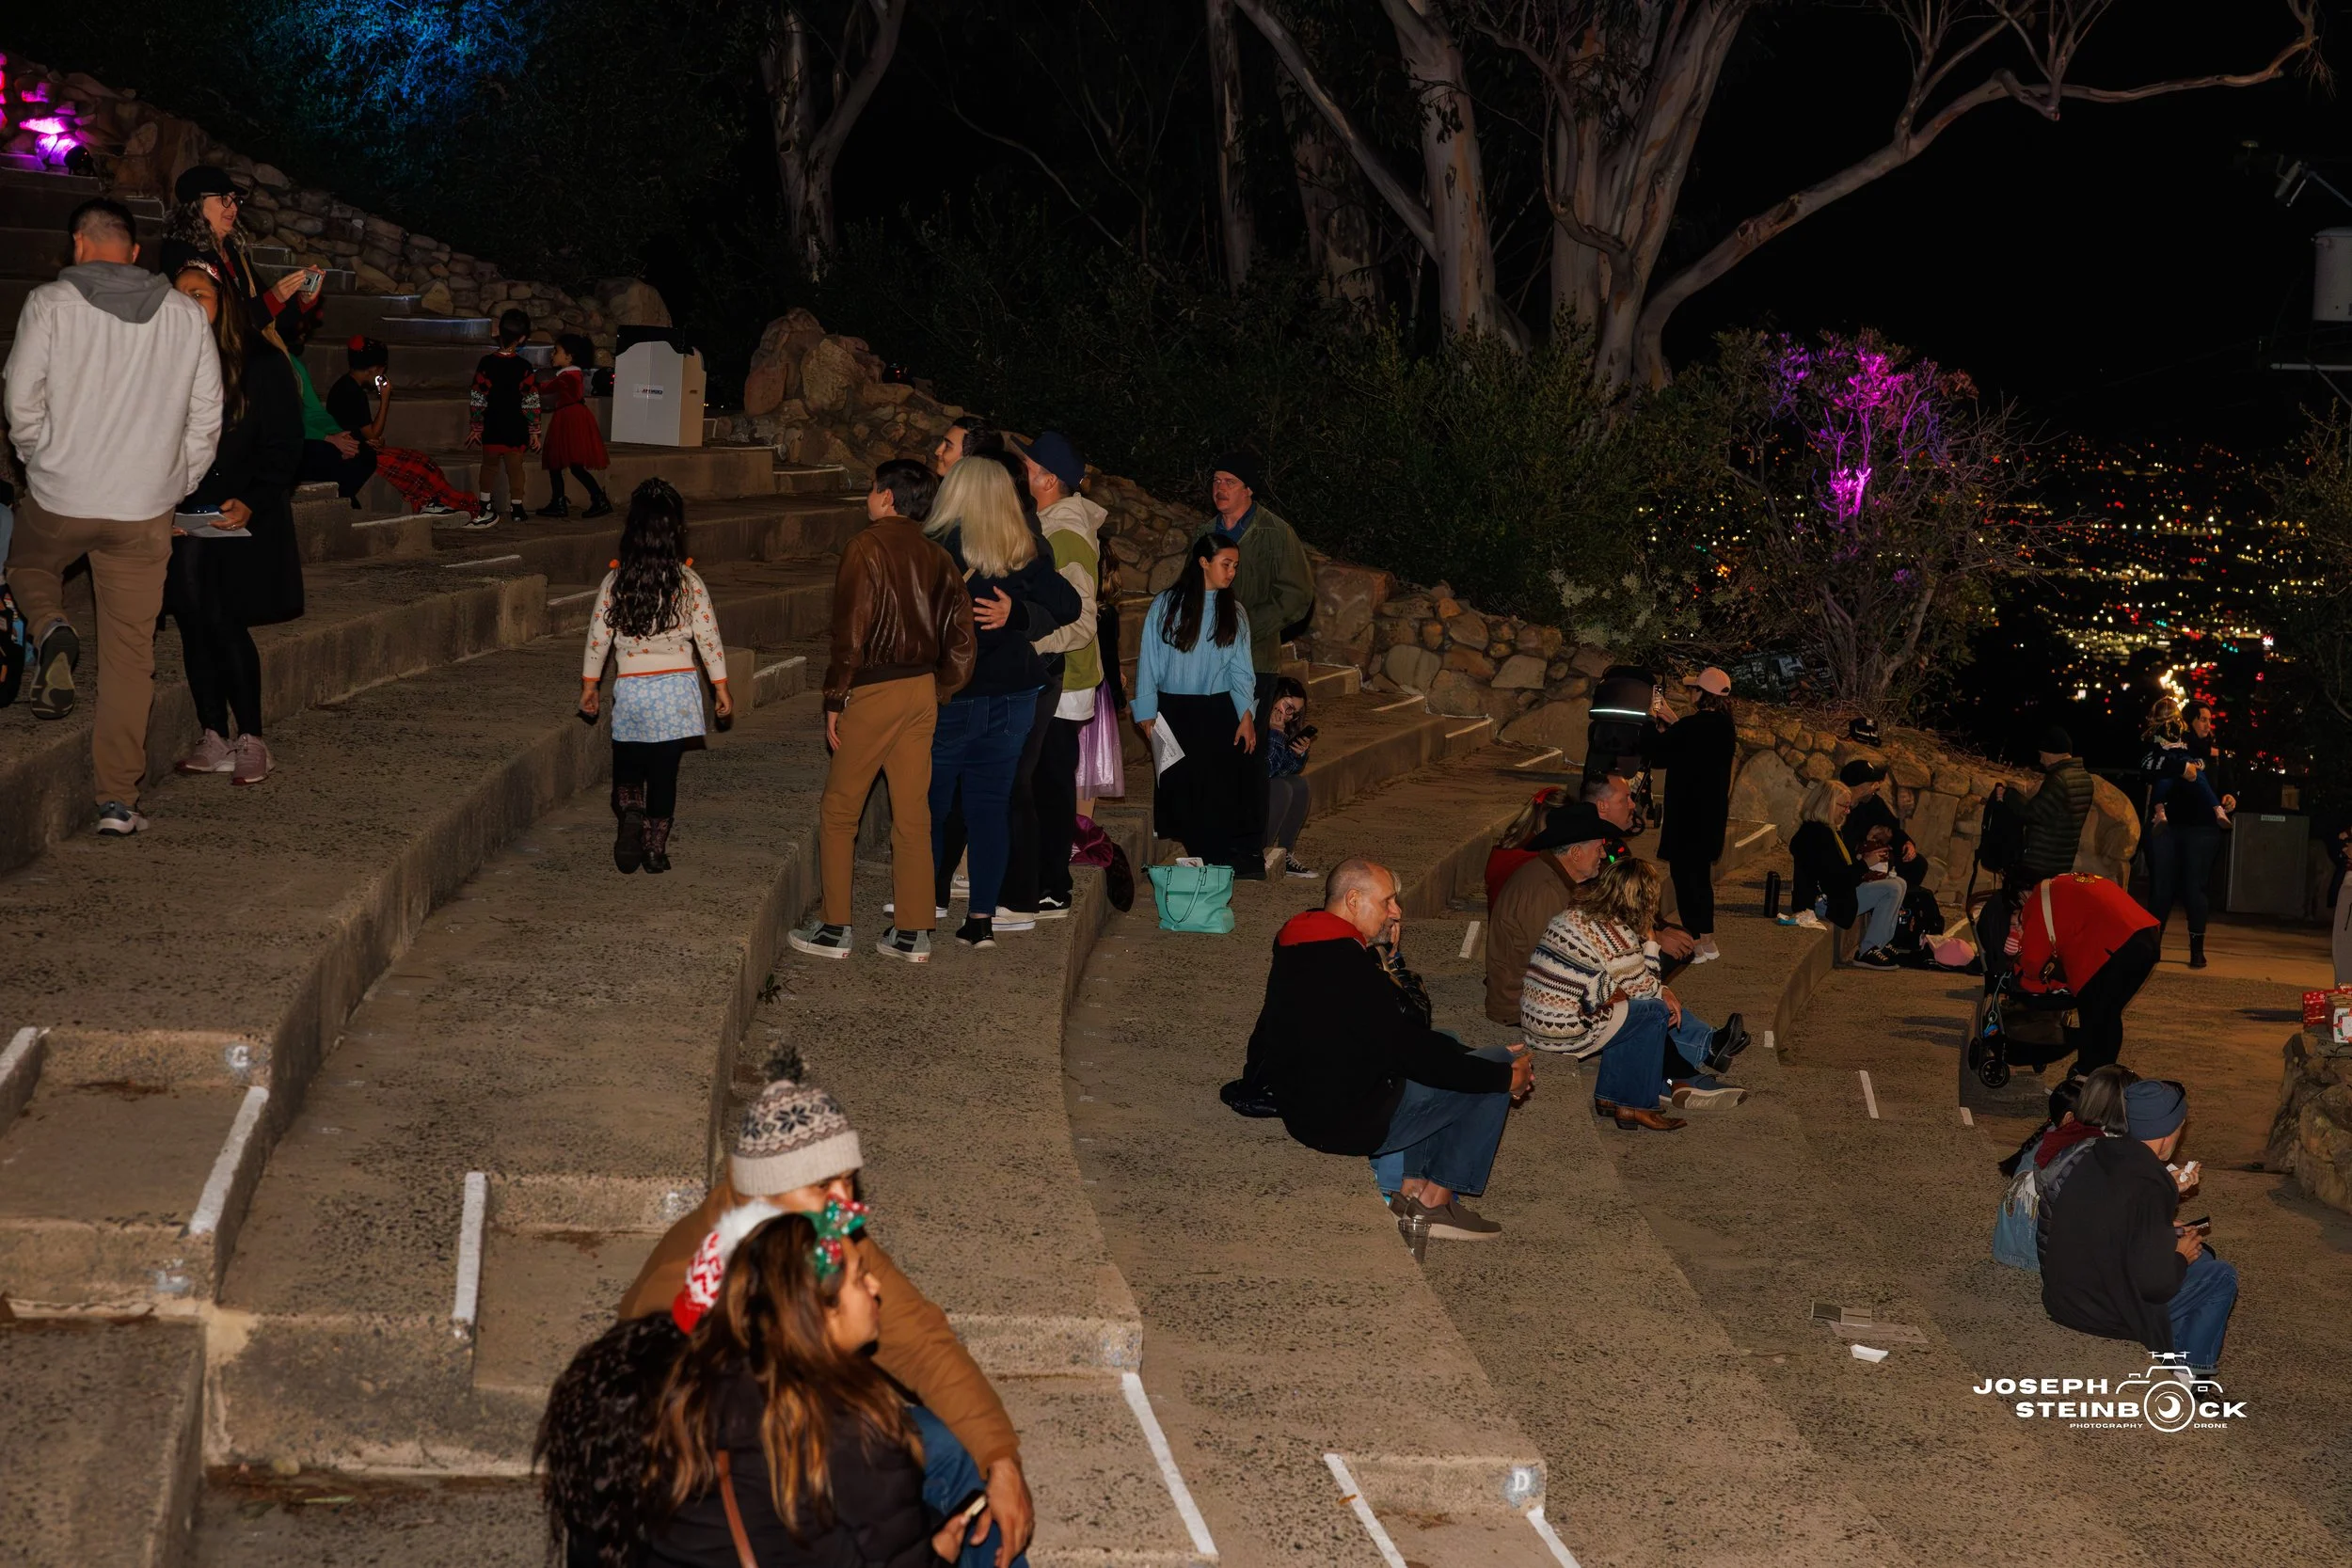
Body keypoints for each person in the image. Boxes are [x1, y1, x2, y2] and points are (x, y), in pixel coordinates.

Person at [618, 1068, 1034, 1567]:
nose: (847, 1205)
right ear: (764, 1197)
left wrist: (1001, 1459)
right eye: (823, 1186)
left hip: (803, 1439)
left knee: (951, 1446)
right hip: (743, 1485)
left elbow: (921, 1342)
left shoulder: (822, 1238)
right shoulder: (694, 1288)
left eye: (847, 1179)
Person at [4, 198, 223, 836]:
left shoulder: (49, 305)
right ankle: (117, 801)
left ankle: (49, 628)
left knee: (28, 562)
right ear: (132, 252)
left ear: (78, 247)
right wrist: (172, 482)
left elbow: (20, 399)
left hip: (63, 494)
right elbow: (206, 416)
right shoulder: (185, 316)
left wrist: (38, 459)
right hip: (143, 508)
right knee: (131, 653)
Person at [633, 1206, 973, 1568]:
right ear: (822, 1311)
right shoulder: (854, 1429)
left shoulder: (698, 1383)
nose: (876, 1286)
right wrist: (940, 1558)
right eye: (860, 1278)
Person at [1242, 858, 1533, 1240]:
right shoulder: (1350, 969)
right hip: (1343, 1123)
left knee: (1457, 1052)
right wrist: (1501, 1075)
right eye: (1387, 902)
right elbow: (1409, 1046)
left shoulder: (1301, 938)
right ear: (1353, 900)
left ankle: (1411, 1188)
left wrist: (1464, 1054)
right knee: (1495, 1067)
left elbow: (1399, 1035)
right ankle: (1436, 1203)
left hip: (1308, 1104)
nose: (1396, 913)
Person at [790, 460, 977, 963]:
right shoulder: (939, 557)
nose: (868, 497)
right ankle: (913, 932)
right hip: (920, 692)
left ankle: (834, 927)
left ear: (888, 498)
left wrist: (835, 697)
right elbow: (963, 638)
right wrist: (941, 687)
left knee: (839, 810)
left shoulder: (865, 548)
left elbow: (850, 633)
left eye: (873, 489)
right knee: (913, 814)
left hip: (875, 691)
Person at [921, 457, 1077, 949]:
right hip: (1014, 695)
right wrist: (1019, 615)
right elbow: (1070, 606)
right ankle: (982, 920)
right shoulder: (1023, 549)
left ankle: (920, 912)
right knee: (990, 807)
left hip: (954, 696)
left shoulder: (936, 549)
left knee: (934, 805)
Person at [164, 260, 303, 788]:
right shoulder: (162, 361)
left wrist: (254, 497)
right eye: (180, 295)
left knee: (222, 616)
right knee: (192, 618)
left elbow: (286, 445)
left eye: (200, 294)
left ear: (223, 303)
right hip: (182, 508)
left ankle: (252, 738)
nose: (189, 304)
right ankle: (212, 732)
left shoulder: (261, 363)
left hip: (239, 510)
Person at [1520, 856, 1749, 1132]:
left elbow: (1634, 986)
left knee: (1630, 1012)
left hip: (1535, 1022)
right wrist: (1651, 942)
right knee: (1652, 1012)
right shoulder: (1616, 935)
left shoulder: (1573, 915)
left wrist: (1660, 989)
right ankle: (1636, 1104)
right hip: (1562, 1032)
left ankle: (1615, 1100)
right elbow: (1647, 994)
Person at [579, 480, 730, 874]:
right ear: (676, 532)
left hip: (632, 691)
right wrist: (721, 687)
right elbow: (708, 636)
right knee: (664, 775)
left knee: (629, 766)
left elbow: (599, 637)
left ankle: (630, 811)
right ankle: (654, 850)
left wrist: (590, 685)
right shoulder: (689, 582)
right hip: (677, 693)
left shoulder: (617, 581)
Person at [2039, 1077, 2236, 1377]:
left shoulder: (2100, 1152)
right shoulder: (2150, 1184)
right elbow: (2155, 1285)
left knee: (2203, 1255)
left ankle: (2175, 1358)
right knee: (2220, 1275)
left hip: (2063, 1296)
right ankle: (2193, 1377)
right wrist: (2179, 1255)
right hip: (2099, 1313)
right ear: (2169, 1132)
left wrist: (2165, 1232)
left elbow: (2114, 1223)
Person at [1204, 451, 1315, 863]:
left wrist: (1248, 623)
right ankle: (1216, 839)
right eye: (1216, 479)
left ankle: (1247, 845)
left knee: (1248, 754)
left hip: (1255, 662)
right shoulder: (1205, 532)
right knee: (1214, 753)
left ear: (1249, 488)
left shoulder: (1275, 533)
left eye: (1230, 481)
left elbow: (1298, 596)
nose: (1220, 488)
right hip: (1207, 665)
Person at [1134, 533, 1262, 873]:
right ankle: (1204, 863)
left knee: (1215, 794)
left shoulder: (1233, 611)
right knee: (1179, 793)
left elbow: (1241, 670)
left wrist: (1245, 714)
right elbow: (1149, 659)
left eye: (1235, 565)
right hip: (1172, 712)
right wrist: (1146, 713)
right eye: (1226, 564)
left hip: (1217, 713)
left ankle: (1214, 866)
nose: (1232, 571)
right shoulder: (1166, 604)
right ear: (1204, 562)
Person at [1015, 431, 1104, 919]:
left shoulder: (1064, 533)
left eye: (1027, 467)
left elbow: (1082, 620)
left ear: (1049, 480)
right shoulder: (1050, 523)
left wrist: (1024, 638)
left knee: (1048, 788)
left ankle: (1052, 885)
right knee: (1044, 784)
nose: (1019, 474)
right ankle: (1046, 879)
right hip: (1057, 678)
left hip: (1063, 682)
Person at [2009, 871, 2159, 1075]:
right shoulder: (2066, 881)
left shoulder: (2038, 898)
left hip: (2112, 950)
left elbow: (2033, 960)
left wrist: (2019, 972)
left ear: (2021, 896)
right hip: (2145, 935)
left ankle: (2088, 1076)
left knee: (2095, 1018)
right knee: (2109, 1014)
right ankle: (2102, 1076)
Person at [1979, 726, 2096, 988]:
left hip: (2039, 861)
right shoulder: (2084, 779)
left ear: (2052, 754)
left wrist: (2009, 796)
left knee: (2010, 914)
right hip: (2061, 859)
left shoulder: (2059, 780)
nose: (2040, 760)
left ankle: (2008, 968)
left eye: (2042, 754)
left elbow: (2033, 813)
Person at [326, 336, 481, 523]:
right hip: (356, 453)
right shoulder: (353, 392)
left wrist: (370, 439)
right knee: (416, 467)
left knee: (422, 461)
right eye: (382, 369)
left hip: (362, 445)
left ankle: (435, 502)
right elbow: (374, 433)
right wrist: (385, 398)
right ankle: (445, 503)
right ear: (374, 369)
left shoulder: (346, 385)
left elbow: (364, 432)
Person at [1640, 667, 1737, 963]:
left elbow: (1658, 754)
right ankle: (1707, 940)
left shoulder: (1690, 728)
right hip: (1711, 817)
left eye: (1694, 689)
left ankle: (1693, 941)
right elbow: (1690, 742)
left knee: (1685, 879)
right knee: (1701, 879)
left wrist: (1650, 719)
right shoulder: (1725, 727)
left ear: (1701, 694)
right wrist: (1673, 721)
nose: (1690, 692)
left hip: (1687, 817)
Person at [156, 164, 323, 334]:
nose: (234, 208)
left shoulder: (232, 251)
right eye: (223, 199)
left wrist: (302, 299)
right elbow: (219, 326)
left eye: (235, 199)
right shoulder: (180, 254)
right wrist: (276, 297)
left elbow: (269, 317)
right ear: (196, 205)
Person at [2140, 698, 2233, 970]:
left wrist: (2229, 797)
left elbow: (2227, 783)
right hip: (2169, 827)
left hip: (2202, 830)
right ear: (2189, 720)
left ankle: (2197, 949)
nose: (2207, 724)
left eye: (2209, 720)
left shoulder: (2216, 753)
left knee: (2195, 889)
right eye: (2202, 718)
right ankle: (2151, 946)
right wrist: (2181, 768)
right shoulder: (2172, 741)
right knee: (2161, 889)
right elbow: (2148, 766)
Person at [1788, 780, 1905, 967]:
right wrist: (1865, 864)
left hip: (1832, 895)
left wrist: (1865, 855)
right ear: (1828, 804)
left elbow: (1841, 871)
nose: (1847, 811)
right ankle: (1869, 949)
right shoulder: (1816, 835)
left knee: (1899, 883)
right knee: (1892, 888)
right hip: (1823, 902)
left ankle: (1880, 943)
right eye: (1844, 806)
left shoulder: (1828, 831)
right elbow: (1837, 881)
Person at [469, 308, 542, 525]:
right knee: (515, 468)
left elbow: (477, 395)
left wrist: (476, 425)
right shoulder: (524, 367)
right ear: (522, 339)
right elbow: (531, 401)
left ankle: (484, 503)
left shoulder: (486, 363)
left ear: (498, 333)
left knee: (489, 466)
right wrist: (534, 430)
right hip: (515, 427)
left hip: (493, 424)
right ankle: (517, 507)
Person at [536, 333, 612, 520]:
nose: (552, 354)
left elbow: (547, 387)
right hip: (571, 416)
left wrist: (526, 383)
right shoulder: (572, 375)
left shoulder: (568, 376)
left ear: (569, 357)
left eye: (556, 351)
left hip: (570, 418)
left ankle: (566, 502)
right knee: (567, 464)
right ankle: (575, 500)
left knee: (563, 462)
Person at [1263, 674, 1317, 879]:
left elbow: (1281, 770)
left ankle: (1285, 853)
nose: (1289, 716)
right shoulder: (1256, 719)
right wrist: (1275, 733)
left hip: (1258, 785)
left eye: (1294, 713)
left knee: (1299, 784)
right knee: (1281, 788)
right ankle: (1260, 852)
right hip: (1235, 787)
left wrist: (1297, 755)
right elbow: (1266, 770)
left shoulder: (1281, 727)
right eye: (1288, 707)